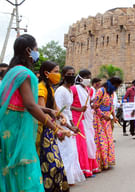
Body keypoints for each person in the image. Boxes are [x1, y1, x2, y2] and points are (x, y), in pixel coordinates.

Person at [0, 34, 64, 192]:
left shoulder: (11, 72)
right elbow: (29, 104)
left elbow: (20, 102)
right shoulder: (24, 74)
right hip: (18, 131)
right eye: (36, 50)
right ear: (29, 50)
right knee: (25, 169)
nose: (37, 53)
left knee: (10, 170)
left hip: (7, 129)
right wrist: (54, 127)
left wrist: (48, 110)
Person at [37, 61, 71, 191]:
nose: (58, 75)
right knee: (51, 165)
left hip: (50, 130)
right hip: (42, 131)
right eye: (56, 72)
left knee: (58, 165)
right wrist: (57, 129)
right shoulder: (41, 88)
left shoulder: (50, 88)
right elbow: (42, 112)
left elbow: (55, 110)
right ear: (46, 73)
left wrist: (62, 118)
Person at [55, 66, 86, 185]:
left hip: (68, 122)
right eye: (69, 74)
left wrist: (73, 125)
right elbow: (58, 112)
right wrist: (68, 126)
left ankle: (70, 178)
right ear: (63, 76)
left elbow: (68, 111)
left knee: (72, 151)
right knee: (66, 152)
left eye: (73, 74)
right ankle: (64, 178)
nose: (71, 76)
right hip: (61, 124)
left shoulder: (69, 90)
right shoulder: (60, 91)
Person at [71, 69, 99, 177]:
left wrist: (92, 105)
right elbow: (67, 104)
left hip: (87, 119)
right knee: (82, 144)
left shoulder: (88, 90)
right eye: (86, 77)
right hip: (78, 119)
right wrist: (78, 109)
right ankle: (83, 169)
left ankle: (91, 167)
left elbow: (87, 104)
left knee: (90, 143)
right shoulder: (74, 89)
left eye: (89, 76)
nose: (88, 79)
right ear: (80, 78)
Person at [93, 76, 123, 170]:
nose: (117, 87)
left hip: (107, 120)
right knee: (102, 141)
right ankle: (100, 163)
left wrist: (114, 117)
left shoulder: (111, 93)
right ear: (111, 84)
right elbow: (95, 106)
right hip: (99, 119)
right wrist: (102, 115)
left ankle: (107, 161)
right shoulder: (101, 91)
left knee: (109, 140)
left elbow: (111, 107)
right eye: (116, 85)